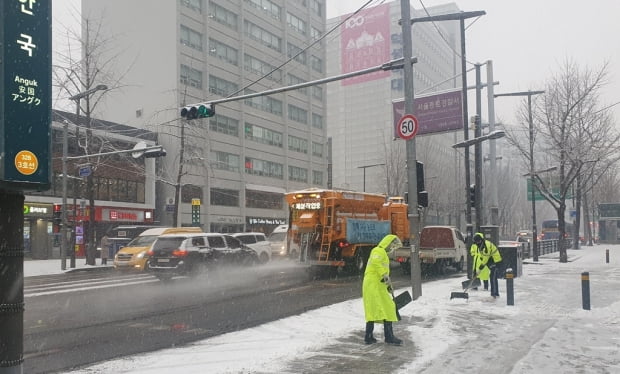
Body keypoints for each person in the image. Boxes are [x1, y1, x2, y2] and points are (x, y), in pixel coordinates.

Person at [362, 234, 403, 345]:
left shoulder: (383, 253)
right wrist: (384, 275)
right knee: (384, 308)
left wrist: (388, 285)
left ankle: (369, 336)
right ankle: (387, 337)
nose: (392, 249)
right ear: (387, 243)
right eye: (392, 246)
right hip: (372, 285)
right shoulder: (378, 250)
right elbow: (376, 263)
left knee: (379, 309)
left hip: (377, 285)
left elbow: (380, 269)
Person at [471, 232, 502, 298]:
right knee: (494, 277)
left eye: (477, 242)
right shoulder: (481, 244)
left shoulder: (486, 246)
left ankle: (494, 294)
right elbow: (483, 257)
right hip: (490, 260)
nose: (476, 244)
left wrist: (480, 268)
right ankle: (496, 293)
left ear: (480, 240)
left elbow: (485, 258)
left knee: (492, 277)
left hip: (495, 260)